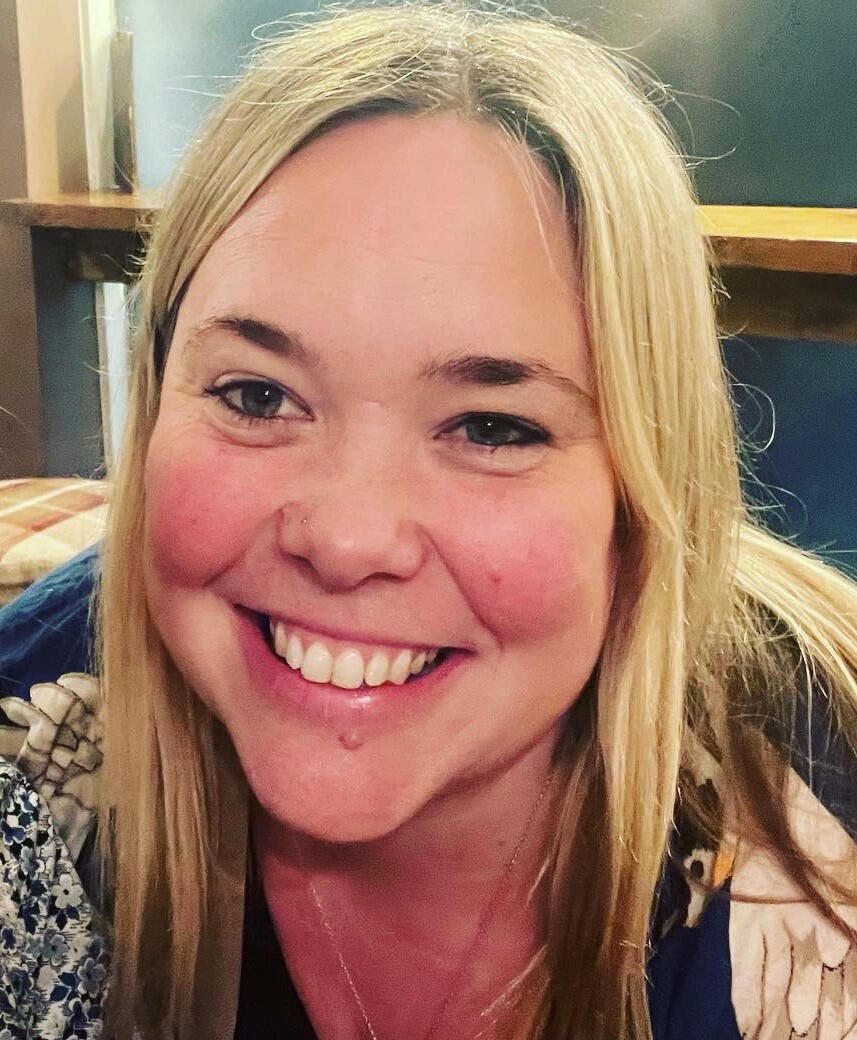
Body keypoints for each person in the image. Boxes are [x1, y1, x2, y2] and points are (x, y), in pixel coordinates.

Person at [1, 4, 857, 1038]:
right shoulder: (33, 743)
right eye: (256, 396)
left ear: (643, 491)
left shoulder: (826, 807)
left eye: (492, 427)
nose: (347, 539)